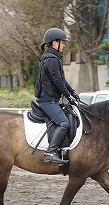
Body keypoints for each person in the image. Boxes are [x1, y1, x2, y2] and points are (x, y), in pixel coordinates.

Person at [35, 28, 80, 164]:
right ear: (55, 43)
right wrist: (68, 96)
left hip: (52, 99)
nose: (64, 45)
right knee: (64, 123)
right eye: (63, 42)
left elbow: (62, 80)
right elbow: (58, 81)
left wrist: (72, 92)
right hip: (47, 101)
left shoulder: (54, 58)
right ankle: (50, 152)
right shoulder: (51, 60)